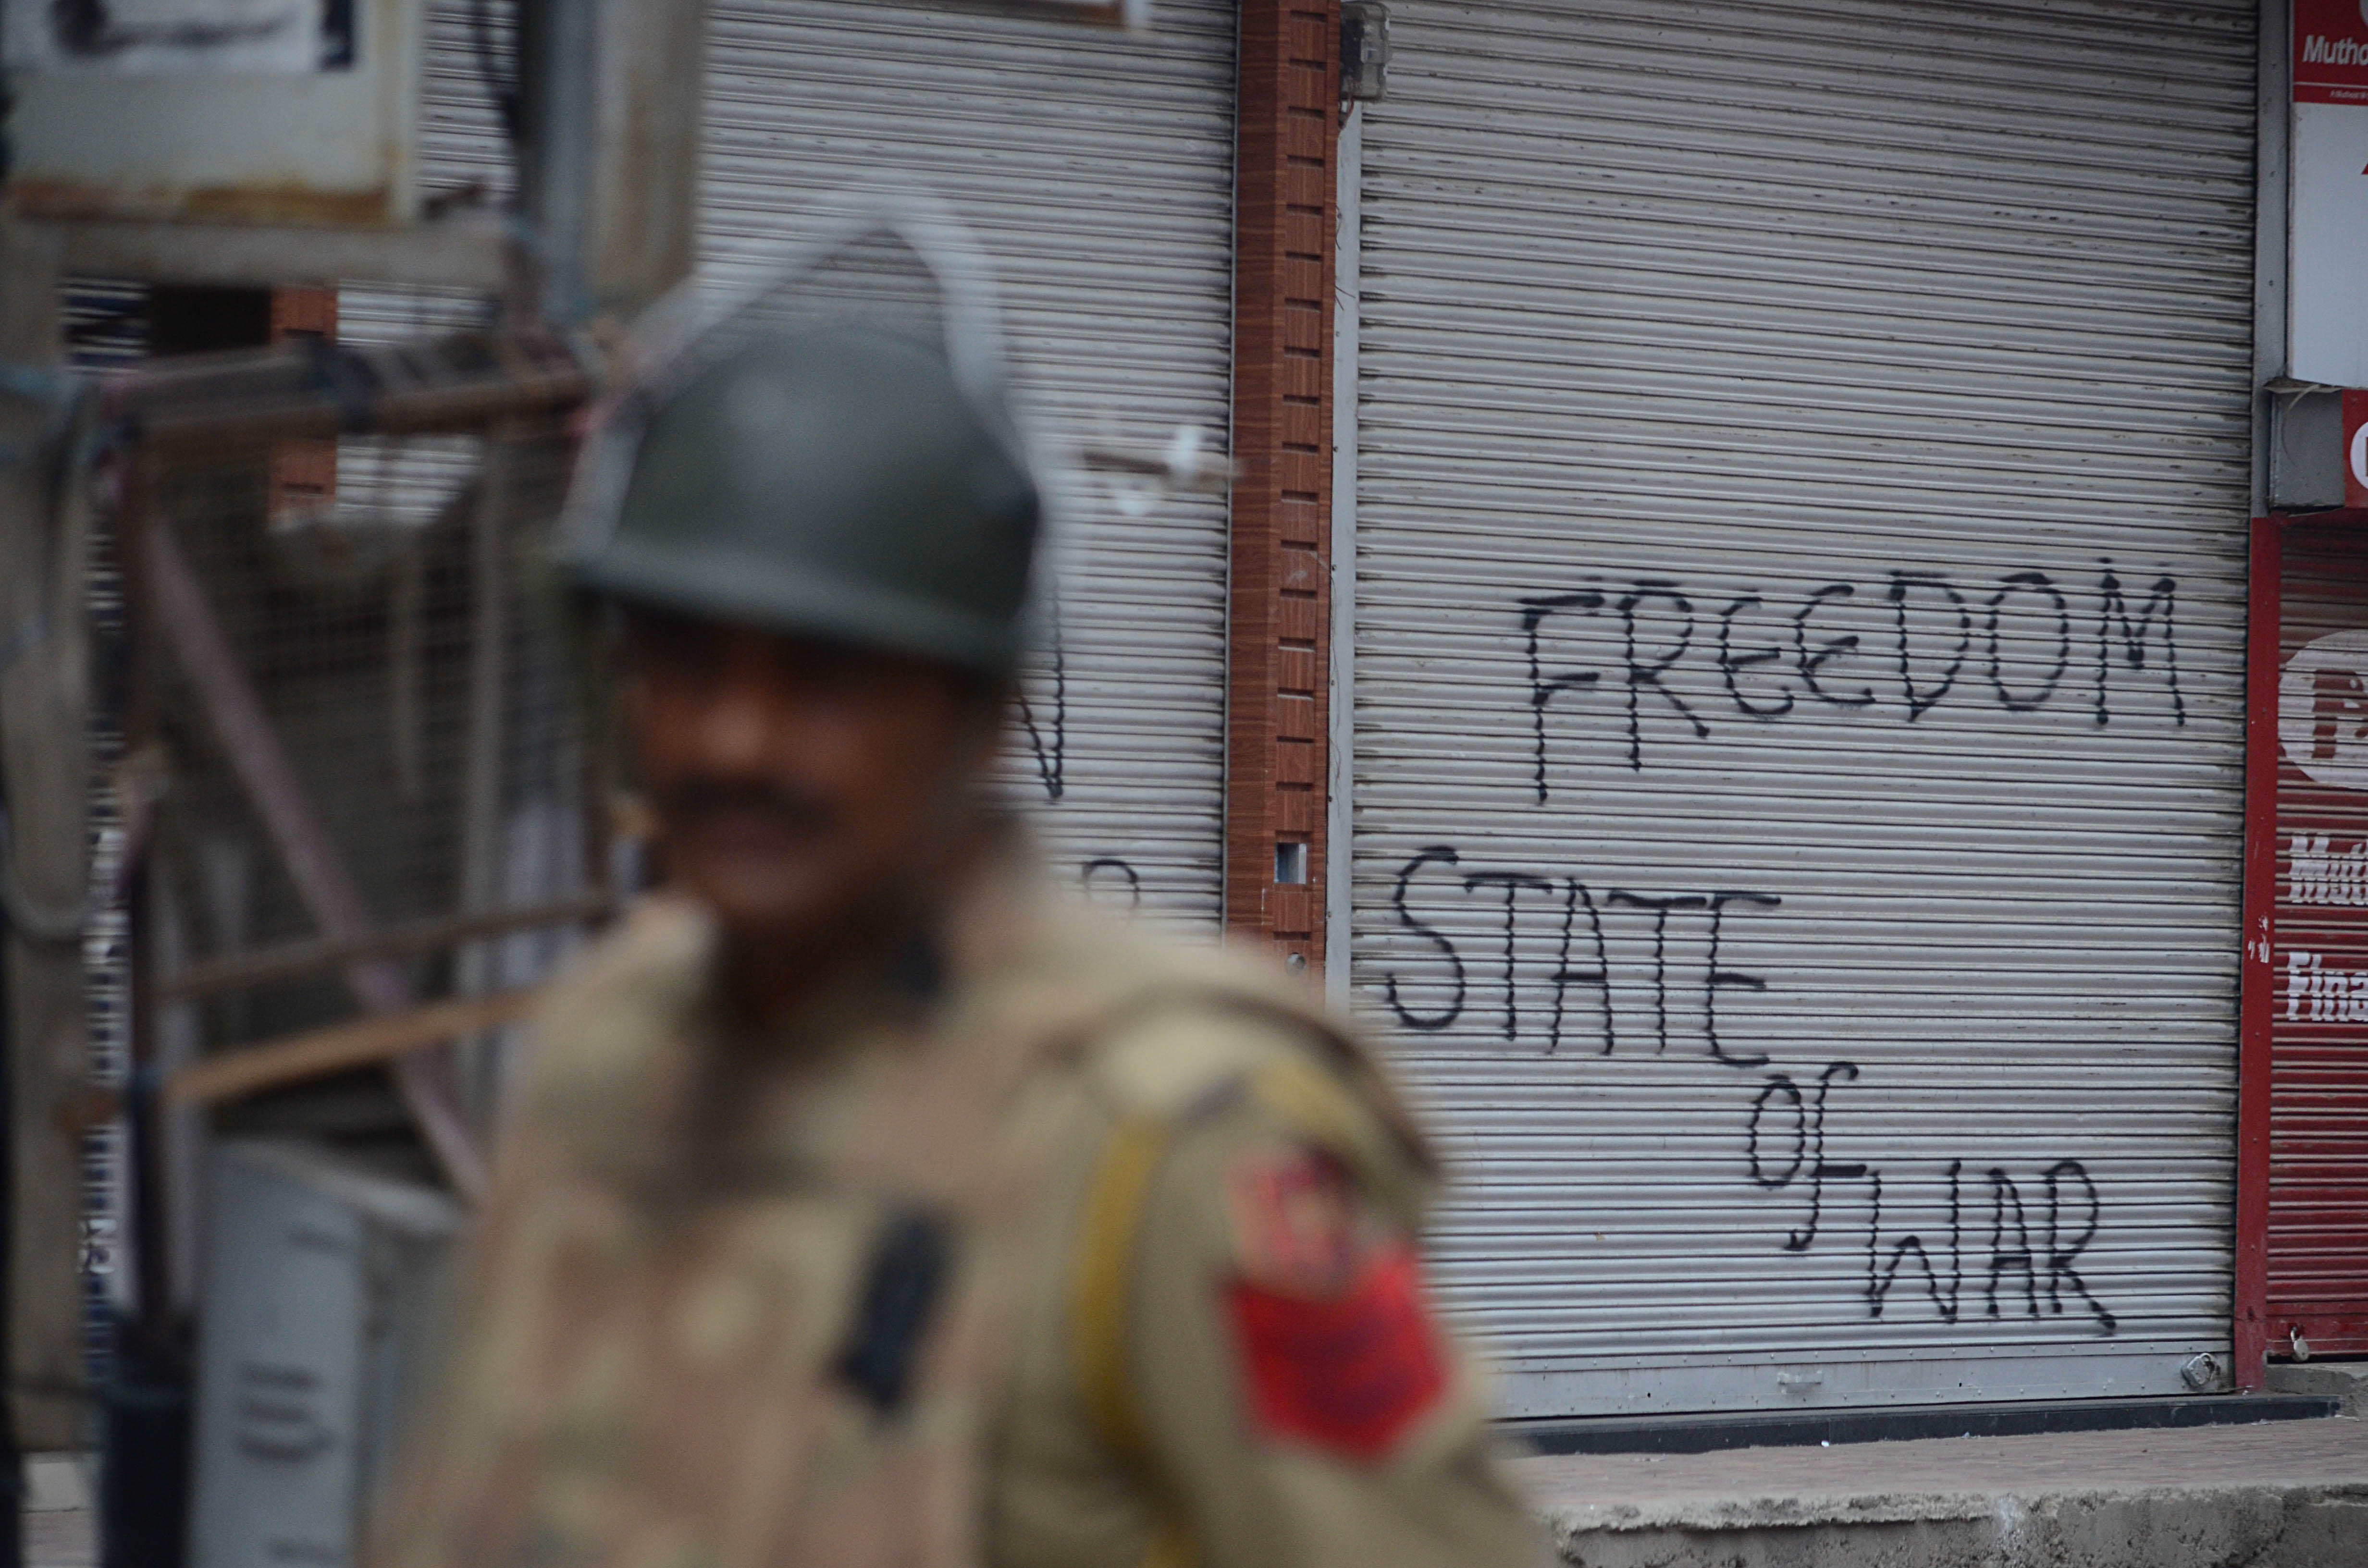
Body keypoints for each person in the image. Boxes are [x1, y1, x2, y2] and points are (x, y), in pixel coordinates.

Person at [368, 320, 1544, 1568]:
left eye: (824, 678)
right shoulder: (608, 1041)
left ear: (983, 714)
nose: (733, 743)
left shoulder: (1177, 1136)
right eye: (685, 663)